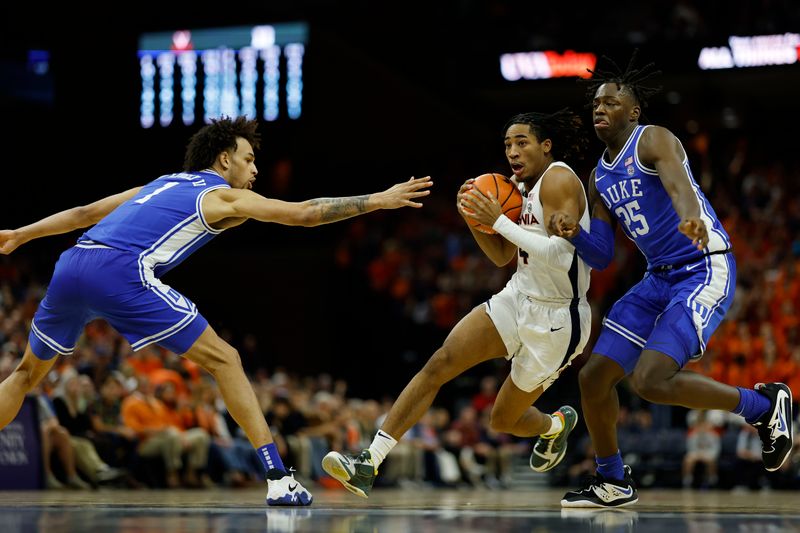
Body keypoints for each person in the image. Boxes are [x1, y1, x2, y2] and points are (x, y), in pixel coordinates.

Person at [0, 116, 432, 505]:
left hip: (73, 262)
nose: (256, 170)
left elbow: (84, 213)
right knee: (226, 360)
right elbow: (303, 215)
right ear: (224, 160)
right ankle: (279, 478)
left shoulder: (159, 183)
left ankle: (278, 476)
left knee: (25, 375)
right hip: (120, 270)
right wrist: (378, 199)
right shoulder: (220, 196)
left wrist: (21, 234)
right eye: (249, 159)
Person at [545, 53, 793, 507]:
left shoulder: (653, 139)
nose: (600, 108)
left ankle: (763, 407)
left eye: (611, 102)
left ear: (634, 111)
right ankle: (612, 481)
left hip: (702, 266)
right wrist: (573, 232)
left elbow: (679, 185)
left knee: (651, 379)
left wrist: (690, 218)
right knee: (594, 378)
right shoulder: (598, 178)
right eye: (596, 103)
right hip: (657, 278)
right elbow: (601, 256)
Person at [321, 109, 591, 498]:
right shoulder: (517, 187)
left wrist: (498, 221)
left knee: (503, 420)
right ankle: (368, 462)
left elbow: (562, 256)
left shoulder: (559, 180)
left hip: (559, 318)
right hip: (519, 296)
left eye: (522, 142)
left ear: (546, 146)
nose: (512, 152)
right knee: (439, 363)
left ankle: (553, 427)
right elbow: (501, 256)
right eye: (507, 144)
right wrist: (474, 216)